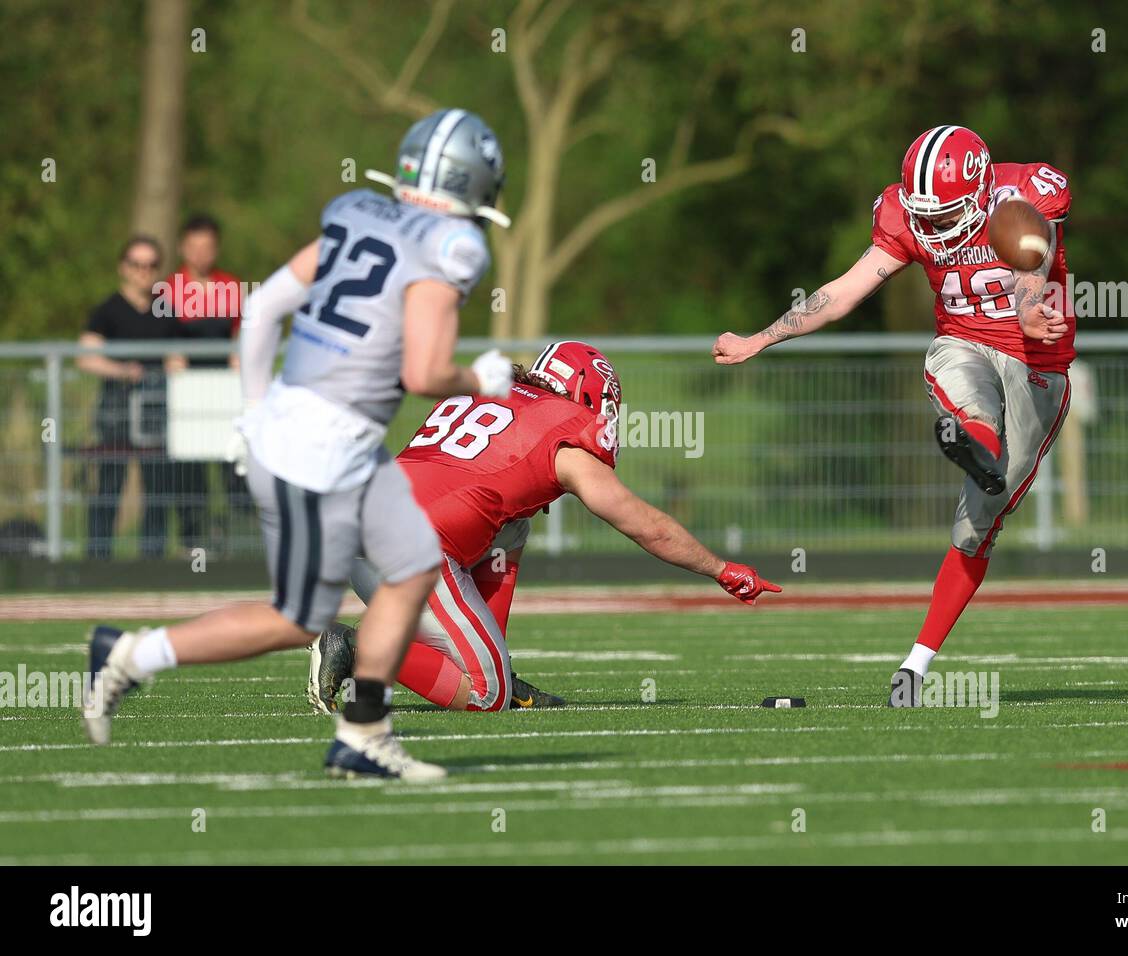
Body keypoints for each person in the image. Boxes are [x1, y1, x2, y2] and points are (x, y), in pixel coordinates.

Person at [82, 109, 517, 781]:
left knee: (413, 563)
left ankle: (366, 731)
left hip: (320, 430)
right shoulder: (453, 245)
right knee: (295, 617)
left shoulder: (359, 214)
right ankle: (131, 654)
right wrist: (480, 378)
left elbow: (261, 310)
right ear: (473, 180)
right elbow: (425, 373)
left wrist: (255, 408)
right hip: (323, 445)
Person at [712, 125, 1072, 706]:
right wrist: (762, 337)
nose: (930, 226)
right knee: (965, 390)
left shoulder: (1021, 192)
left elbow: (1036, 254)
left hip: (1038, 360)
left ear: (981, 193)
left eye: (945, 212)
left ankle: (917, 661)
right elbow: (844, 291)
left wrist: (1031, 307)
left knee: (978, 524)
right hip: (964, 340)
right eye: (922, 213)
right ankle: (975, 443)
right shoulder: (905, 216)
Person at [307, 341, 781, 715]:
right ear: (588, 394)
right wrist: (720, 568)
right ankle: (356, 645)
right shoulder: (566, 433)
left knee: (513, 527)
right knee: (483, 693)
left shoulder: (489, 394)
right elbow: (645, 526)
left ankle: (494, 665)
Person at [78, 236, 183, 559]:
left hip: (156, 411)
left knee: (158, 487)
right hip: (117, 410)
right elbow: (86, 357)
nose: (143, 271)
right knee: (109, 486)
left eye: (151, 265)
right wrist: (124, 371)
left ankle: (152, 561)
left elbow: (178, 359)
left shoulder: (166, 310)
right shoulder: (107, 310)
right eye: (137, 264)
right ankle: (98, 560)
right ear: (124, 268)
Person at [163, 214, 247, 550]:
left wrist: (239, 356)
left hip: (226, 391)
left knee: (234, 465)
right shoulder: (169, 290)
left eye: (207, 247)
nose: (200, 254)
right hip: (186, 393)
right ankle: (192, 543)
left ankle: (240, 540)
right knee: (191, 471)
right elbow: (161, 338)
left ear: (216, 249)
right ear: (184, 247)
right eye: (193, 247)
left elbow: (243, 333)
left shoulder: (230, 286)